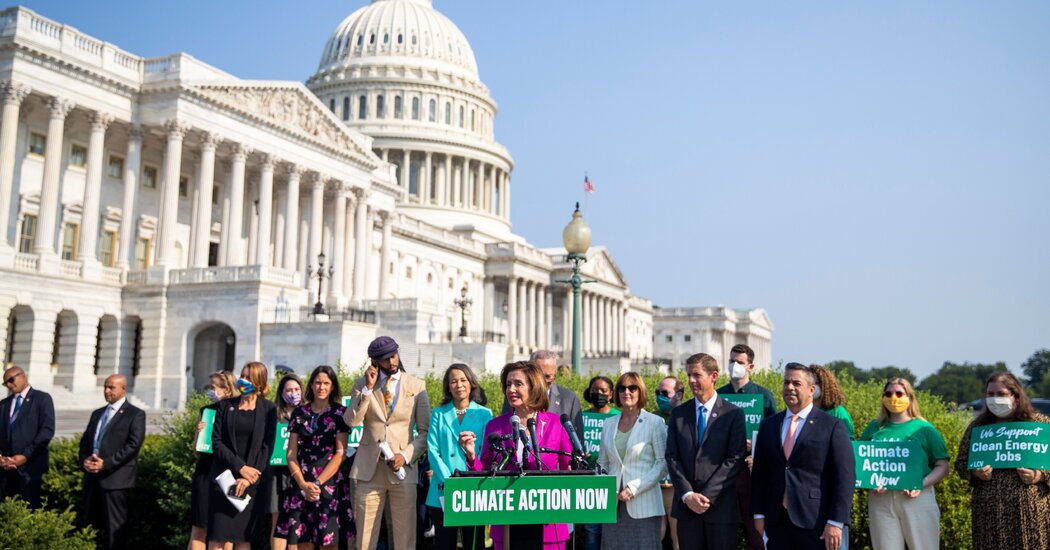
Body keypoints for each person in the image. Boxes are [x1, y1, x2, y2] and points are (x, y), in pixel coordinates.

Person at [460, 361, 574, 550]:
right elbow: (485, 473)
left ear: (534, 387)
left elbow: (569, 471)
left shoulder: (556, 424)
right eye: (508, 384)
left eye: (518, 384)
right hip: (507, 524)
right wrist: (472, 456)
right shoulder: (495, 426)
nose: (511, 389)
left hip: (548, 525)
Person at [751, 363, 854, 550]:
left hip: (816, 521)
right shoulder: (768, 425)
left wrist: (836, 522)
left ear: (811, 390)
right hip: (776, 521)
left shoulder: (832, 426)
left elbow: (844, 478)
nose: (790, 387)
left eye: (796, 383)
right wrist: (758, 515)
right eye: (786, 382)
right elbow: (760, 474)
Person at [345, 336, 431, 550]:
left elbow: (425, 432)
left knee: (405, 539)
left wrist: (406, 455)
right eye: (385, 359)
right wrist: (367, 389)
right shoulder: (362, 385)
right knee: (364, 541)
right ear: (374, 361)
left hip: (403, 471)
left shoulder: (417, 385)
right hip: (368, 471)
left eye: (394, 355)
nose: (392, 362)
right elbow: (351, 421)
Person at [954, 371, 1050, 550]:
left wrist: (1039, 475)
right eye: (990, 394)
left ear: (1016, 396)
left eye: (1001, 394)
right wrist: (975, 472)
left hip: (1030, 514)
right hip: (989, 516)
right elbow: (961, 463)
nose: (995, 399)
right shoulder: (978, 428)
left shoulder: (1041, 425)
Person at [666, 353, 747, 550]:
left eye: (697, 375)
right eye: (689, 375)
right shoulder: (679, 414)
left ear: (714, 376)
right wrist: (688, 495)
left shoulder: (733, 414)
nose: (691, 381)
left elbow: (735, 459)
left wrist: (707, 496)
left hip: (720, 510)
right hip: (687, 511)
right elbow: (672, 457)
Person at [859, 378, 949, 550]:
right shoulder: (874, 427)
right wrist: (870, 481)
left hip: (917, 498)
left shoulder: (924, 428)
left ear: (910, 397)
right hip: (881, 500)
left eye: (899, 393)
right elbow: (862, 461)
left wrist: (921, 484)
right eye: (888, 394)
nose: (893, 397)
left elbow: (942, 465)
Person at [278, 365, 350, 550]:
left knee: (329, 543)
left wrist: (317, 484)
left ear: (332, 386)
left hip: (328, 485)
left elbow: (340, 453)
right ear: (311, 385)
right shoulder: (299, 413)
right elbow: (291, 454)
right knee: (303, 542)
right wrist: (303, 484)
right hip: (301, 483)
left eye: (326, 383)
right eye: (317, 382)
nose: (321, 387)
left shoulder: (340, 413)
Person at [208, 362, 277, 550]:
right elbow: (217, 442)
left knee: (243, 539)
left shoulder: (269, 409)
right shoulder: (225, 406)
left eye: (248, 377)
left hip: (251, 483)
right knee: (218, 539)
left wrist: (248, 478)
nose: (243, 380)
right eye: (243, 376)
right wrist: (241, 467)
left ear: (259, 382)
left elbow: (267, 447)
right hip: (224, 480)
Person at [716, 344, 776, 550]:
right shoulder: (718, 396)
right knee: (722, 531)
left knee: (756, 532)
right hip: (723, 471)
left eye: (739, 362)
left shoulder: (764, 396)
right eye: (731, 361)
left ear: (750, 366)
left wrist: (756, 448)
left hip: (752, 472)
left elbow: (773, 436)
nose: (734, 365)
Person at [426, 363, 492, 550]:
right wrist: (450, 481)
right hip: (443, 488)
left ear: (471, 383)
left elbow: (486, 452)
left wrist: (469, 476)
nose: (459, 385)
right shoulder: (438, 414)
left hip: (474, 489)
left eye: (463, 380)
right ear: (448, 386)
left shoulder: (484, 414)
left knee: (474, 544)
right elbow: (432, 450)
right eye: (453, 381)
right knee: (444, 544)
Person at [599, 372, 668, 549]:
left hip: (644, 504)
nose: (626, 392)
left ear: (641, 391)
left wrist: (633, 488)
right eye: (622, 388)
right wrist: (605, 488)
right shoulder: (608, 424)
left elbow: (662, 463)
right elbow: (602, 464)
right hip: (613, 505)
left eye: (632, 388)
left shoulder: (654, 422)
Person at [79, 374, 146, 550]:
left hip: (116, 479)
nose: (107, 391)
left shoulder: (135, 414)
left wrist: (105, 464)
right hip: (92, 478)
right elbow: (85, 441)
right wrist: (85, 460)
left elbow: (133, 446)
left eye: (111, 387)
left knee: (115, 528)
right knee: (89, 524)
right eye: (105, 387)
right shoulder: (97, 413)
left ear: (123, 389)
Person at [189, 371, 240, 550]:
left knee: (225, 531)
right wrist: (199, 433)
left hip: (229, 474)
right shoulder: (206, 411)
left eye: (213, 387)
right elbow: (197, 448)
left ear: (227, 389)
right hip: (205, 472)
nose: (210, 391)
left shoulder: (239, 412)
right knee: (199, 527)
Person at [0, 365, 55, 509]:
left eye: (11, 380)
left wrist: (25, 455)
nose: (9, 385)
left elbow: (47, 431)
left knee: (30, 511)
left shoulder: (42, 399)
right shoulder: (4, 404)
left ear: (23, 376)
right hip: (6, 470)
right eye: (5, 383)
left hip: (31, 469)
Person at [501, 349, 583, 440]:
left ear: (555, 374)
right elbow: (503, 428)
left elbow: (578, 439)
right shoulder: (514, 398)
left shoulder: (569, 399)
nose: (542, 381)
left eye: (547, 376)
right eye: (538, 376)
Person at [582, 375, 617, 550]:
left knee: (612, 530)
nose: (599, 394)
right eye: (595, 390)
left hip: (613, 479)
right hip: (589, 480)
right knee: (591, 530)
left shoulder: (618, 417)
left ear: (610, 394)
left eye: (603, 390)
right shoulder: (582, 417)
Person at [270, 373, 302, 550]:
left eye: (296, 389)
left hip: (299, 473)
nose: (293, 393)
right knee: (278, 519)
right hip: (277, 473)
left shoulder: (306, 414)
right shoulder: (273, 415)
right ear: (282, 393)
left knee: (297, 520)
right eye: (289, 390)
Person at [655, 375, 684, 550]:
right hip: (655, 486)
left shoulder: (689, 417)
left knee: (678, 538)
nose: (660, 396)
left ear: (679, 395)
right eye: (658, 392)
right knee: (655, 536)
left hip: (678, 487)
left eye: (665, 393)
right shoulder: (651, 418)